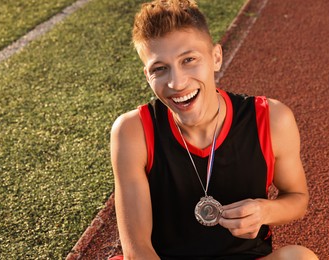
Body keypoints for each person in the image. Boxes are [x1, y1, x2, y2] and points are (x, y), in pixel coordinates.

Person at [110, 0, 318, 259]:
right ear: (147, 75)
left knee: (299, 257)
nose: (177, 82)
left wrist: (265, 211)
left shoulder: (271, 118)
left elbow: (297, 198)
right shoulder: (133, 131)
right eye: (160, 68)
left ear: (216, 57)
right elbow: (138, 249)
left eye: (189, 59)